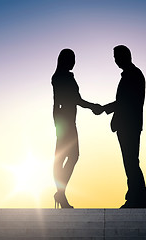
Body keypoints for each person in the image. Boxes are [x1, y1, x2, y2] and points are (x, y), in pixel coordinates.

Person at [102, 45, 146, 208]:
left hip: (129, 125)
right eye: (114, 58)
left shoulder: (133, 75)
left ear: (126, 56)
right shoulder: (131, 74)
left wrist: (106, 108)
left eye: (117, 57)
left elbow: (126, 101)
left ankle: (139, 198)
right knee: (130, 161)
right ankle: (136, 196)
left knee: (131, 161)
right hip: (128, 125)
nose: (116, 60)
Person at [52, 48, 101, 208]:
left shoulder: (61, 76)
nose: (74, 62)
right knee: (70, 156)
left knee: (64, 156)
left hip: (64, 119)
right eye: (72, 59)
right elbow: (76, 99)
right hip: (65, 120)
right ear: (66, 60)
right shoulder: (63, 77)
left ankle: (61, 193)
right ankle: (60, 193)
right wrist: (93, 106)